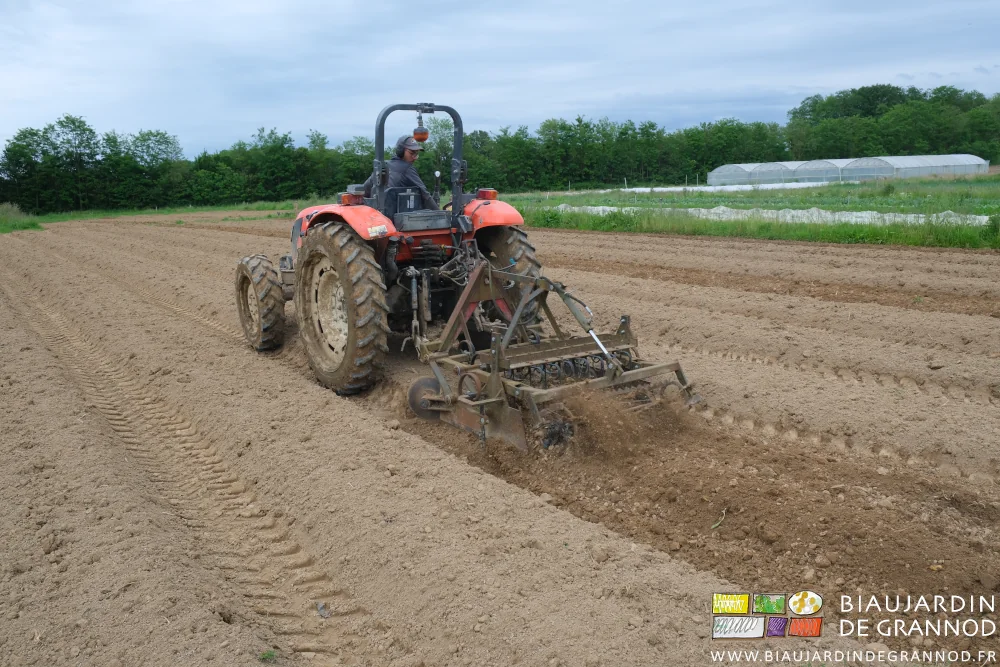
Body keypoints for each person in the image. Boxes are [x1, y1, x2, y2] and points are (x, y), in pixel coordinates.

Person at [363, 135, 439, 210]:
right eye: (412, 153)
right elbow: (425, 194)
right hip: (395, 217)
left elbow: (364, 189)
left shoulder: (382, 166)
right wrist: (440, 214)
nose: (415, 157)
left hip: (377, 215)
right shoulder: (408, 168)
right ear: (400, 151)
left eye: (416, 154)